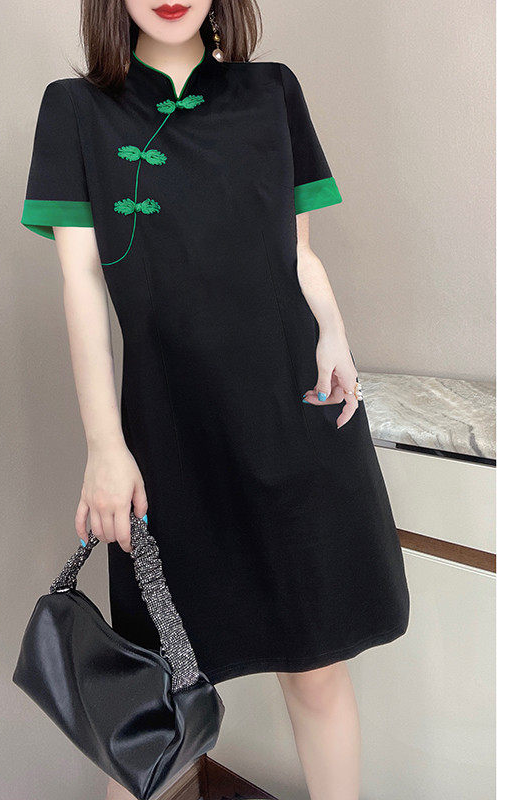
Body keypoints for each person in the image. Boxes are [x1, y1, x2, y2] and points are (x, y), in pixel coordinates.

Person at [20, 2, 410, 798]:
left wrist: (334, 333)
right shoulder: (76, 109)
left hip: (294, 417)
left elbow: (298, 253)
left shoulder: (272, 91)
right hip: (170, 439)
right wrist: (105, 447)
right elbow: (82, 282)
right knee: (157, 698)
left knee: (317, 670)